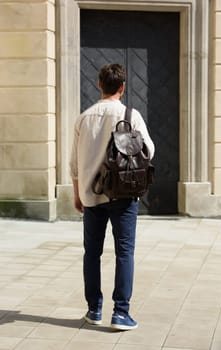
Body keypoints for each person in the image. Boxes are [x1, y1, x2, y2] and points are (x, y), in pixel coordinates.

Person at [70, 63, 155, 330]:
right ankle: (120, 313)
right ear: (122, 87)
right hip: (124, 195)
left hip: (91, 196)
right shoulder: (131, 115)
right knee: (124, 252)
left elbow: (73, 164)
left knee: (91, 254)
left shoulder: (84, 117)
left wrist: (77, 194)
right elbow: (149, 152)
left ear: (99, 84)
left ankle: (93, 310)